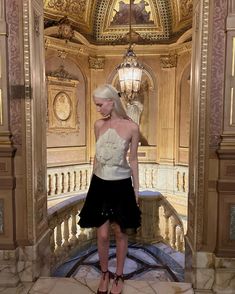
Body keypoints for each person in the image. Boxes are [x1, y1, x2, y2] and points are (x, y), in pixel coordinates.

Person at [78, 84, 141, 294]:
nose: (98, 109)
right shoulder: (98, 125)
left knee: (120, 232)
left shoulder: (132, 127)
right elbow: (97, 156)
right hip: (99, 184)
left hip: (121, 185)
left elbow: (133, 160)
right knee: (103, 234)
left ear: (111, 101)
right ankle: (105, 273)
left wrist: (136, 190)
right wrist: (92, 186)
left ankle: (119, 275)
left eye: (99, 104)